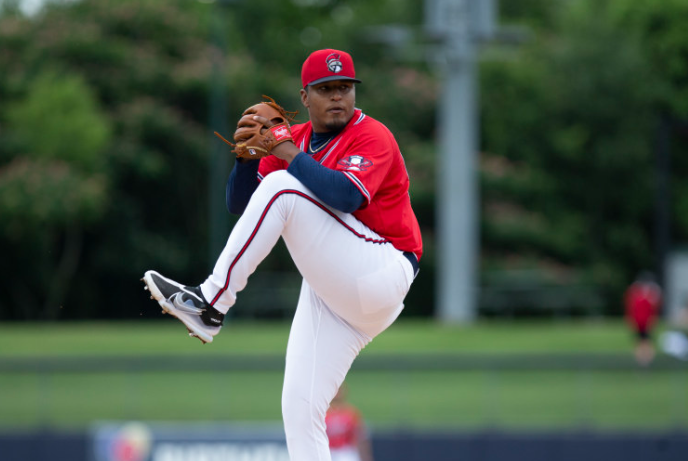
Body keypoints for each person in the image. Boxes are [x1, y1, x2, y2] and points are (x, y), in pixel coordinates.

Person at [142, 48, 422, 460]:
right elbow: (242, 204)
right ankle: (210, 304)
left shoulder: (371, 135)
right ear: (305, 98)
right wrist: (245, 159)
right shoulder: (296, 140)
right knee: (299, 407)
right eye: (325, 89)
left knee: (283, 188)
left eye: (344, 87)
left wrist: (285, 152)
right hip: (337, 293)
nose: (338, 96)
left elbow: (345, 195)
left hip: (383, 269)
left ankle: (211, 302)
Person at [326, 383, 374, 461]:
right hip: (329, 451)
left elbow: (361, 437)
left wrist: (366, 457)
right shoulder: (324, 414)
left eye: (340, 390)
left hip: (346, 451)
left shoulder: (351, 413)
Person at [624, 271, 662, 366]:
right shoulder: (639, 293)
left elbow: (654, 309)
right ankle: (643, 361)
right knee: (642, 342)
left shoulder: (649, 293)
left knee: (645, 342)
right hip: (639, 322)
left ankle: (645, 361)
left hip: (645, 322)